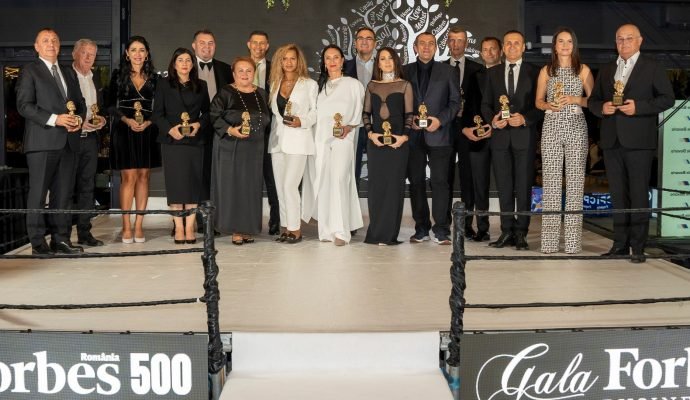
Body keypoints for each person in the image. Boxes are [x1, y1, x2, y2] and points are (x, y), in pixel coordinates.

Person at [589, 24, 674, 263]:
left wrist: (639, 107)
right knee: (617, 195)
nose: (624, 43)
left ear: (640, 41)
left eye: (629, 38)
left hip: (639, 142)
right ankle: (619, 244)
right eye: (620, 39)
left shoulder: (653, 67)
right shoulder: (607, 69)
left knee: (638, 195)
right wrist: (602, 107)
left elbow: (667, 99)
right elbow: (594, 100)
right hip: (611, 140)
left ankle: (637, 247)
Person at [16, 28, 86, 255]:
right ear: (36, 47)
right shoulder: (30, 71)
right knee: (38, 195)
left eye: (55, 40)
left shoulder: (68, 72)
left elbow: (80, 104)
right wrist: (56, 119)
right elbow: (24, 106)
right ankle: (38, 244)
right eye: (45, 40)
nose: (51, 44)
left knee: (63, 195)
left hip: (69, 142)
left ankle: (61, 240)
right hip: (42, 142)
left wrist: (78, 119)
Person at [481, 30, 542, 250]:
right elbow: (485, 104)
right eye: (508, 43)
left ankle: (522, 233)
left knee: (523, 187)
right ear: (503, 48)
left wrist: (525, 119)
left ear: (523, 47)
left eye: (517, 43)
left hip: (524, 137)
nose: (512, 47)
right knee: (504, 186)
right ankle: (506, 230)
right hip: (500, 138)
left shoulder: (535, 72)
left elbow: (541, 105)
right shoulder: (492, 73)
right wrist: (493, 120)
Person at [535, 27, 594, 254]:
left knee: (575, 184)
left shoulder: (583, 70)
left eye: (569, 41)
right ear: (555, 45)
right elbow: (538, 101)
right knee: (550, 183)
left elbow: (593, 101)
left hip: (576, 127)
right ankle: (549, 243)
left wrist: (574, 99)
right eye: (561, 41)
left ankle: (572, 243)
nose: (565, 45)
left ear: (574, 45)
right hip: (551, 126)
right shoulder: (546, 70)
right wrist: (548, 105)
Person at [403, 32, 461, 245]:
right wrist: (410, 119)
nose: (426, 47)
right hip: (413, 136)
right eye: (422, 43)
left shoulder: (448, 71)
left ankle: (442, 229)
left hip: (440, 134)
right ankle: (421, 228)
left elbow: (455, 102)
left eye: (431, 43)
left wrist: (440, 120)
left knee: (440, 182)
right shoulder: (405, 71)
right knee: (416, 182)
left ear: (436, 48)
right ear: (415, 47)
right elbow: (399, 102)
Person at [304, 45, 365, 246]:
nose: (332, 61)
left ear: (342, 61)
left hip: (343, 140)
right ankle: (326, 230)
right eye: (328, 58)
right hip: (320, 141)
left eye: (336, 57)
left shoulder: (353, 84)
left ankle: (341, 232)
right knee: (323, 182)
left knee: (340, 181)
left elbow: (360, 112)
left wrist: (349, 126)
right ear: (323, 62)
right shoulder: (319, 87)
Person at [209, 57, 270, 245]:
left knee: (250, 188)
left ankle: (248, 228)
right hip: (231, 146)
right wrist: (230, 130)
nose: (245, 74)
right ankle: (236, 229)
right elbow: (214, 115)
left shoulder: (261, 93)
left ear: (254, 73)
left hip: (254, 148)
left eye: (249, 70)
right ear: (234, 73)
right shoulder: (226, 92)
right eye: (240, 71)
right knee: (234, 187)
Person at [153, 48, 210, 245]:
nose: (184, 64)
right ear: (174, 64)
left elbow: (208, 113)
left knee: (193, 185)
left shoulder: (201, 85)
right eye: (180, 60)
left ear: (193, 64)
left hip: (194, 142)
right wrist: (170, 130)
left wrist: (198, 125)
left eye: (188, 60)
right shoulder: (163, 84)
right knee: (176, 186)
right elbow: (157, 114)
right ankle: (178, 227)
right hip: (172, 142)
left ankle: (190, 226)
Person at [109, 36, 160, 244]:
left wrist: (149, 122)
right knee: (128, 177)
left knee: (144, 176)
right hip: (124, 129)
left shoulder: (155, 78)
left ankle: (139, 225)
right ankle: (126, 226)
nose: (138, 54)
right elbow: (109, 105)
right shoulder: (117, 76)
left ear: (147, 54)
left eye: (142, 50)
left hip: (148, 130)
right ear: (127, 54)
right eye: (133, 50)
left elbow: (161, 107)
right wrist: (127, 120)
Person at [267, 44, 318, 244]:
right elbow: (275, 115)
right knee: (281, 187)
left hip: (299, 140)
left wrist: (302, 121)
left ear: (299, 61)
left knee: (290, 185)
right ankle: (286, 227)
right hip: (277, 141)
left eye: (292, 58)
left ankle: (295, 229)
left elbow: (315, 112)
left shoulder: (309, 84)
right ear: (280, 61)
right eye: (285, 59)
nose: (288, 62)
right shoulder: (275, 83)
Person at [362, 47, 412, 245]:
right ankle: (376, 233)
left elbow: (410, 115)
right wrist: (370, 134)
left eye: (390, 58)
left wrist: (404, 137)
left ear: (396, 61)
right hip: (376, 144)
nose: (387, 62)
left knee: (393, 188)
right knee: (376, 188)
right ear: (378, 63)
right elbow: (366, 114)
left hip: (398, 145)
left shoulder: (405, 85)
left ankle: (389, 235)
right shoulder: (372, 86)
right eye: (382, 59)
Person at [461, 36, 503, 243]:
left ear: (500, 51)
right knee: (478, 186)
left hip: (503, 136)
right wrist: (466, 129)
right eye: (485, 49)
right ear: (480, 53)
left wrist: (495, 126)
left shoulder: (508, 74)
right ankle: (481, 228)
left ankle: (509, 229)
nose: (489, 52)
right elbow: (467, 107)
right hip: (478, 138)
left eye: (493, 49)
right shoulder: (474, 76)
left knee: (505, 185)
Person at [445, 26, 484, 240]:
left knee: (468, 179)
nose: (456, 44)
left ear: (466, 43)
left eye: (460, 40)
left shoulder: (477, 69)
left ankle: (467, 225)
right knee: (444, 178)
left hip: (469, 130)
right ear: (447, 42)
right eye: (452, 40)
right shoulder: (439, 68)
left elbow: (481, 103)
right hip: (445, 131)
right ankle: (443, 224)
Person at [192, 29, 232, 231]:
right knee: (193, 176)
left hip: (218, 131)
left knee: (215, 176)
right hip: (192, 131)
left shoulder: (225, 69)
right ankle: (190, 221)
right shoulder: (185, 66)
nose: (206, 47)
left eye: (211, 43)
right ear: (194, 46)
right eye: (202, 43)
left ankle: (213, 222)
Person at [70, 38, 107, 247]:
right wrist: (78, 122)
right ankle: (62, 236)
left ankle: (84, 233)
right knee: (66, 189)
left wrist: (102, 120)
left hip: (91, 141)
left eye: (92, 54)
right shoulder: (66, 76)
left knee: (87, 188)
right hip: (70, 140)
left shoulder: (96, 78)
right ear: (75, 54)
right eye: (84, 52)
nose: (88, 57)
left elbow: (99, 107)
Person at [245, 30, 280, 235]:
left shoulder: (276, 68)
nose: (258, 47)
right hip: (244, 132)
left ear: (267, 46)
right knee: (247, 178)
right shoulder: (239, 67)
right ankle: (247, 220)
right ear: (248, 44)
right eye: (255, 43)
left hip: (269, 129)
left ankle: (276, 220)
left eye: (262, 43)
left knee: (272, 178)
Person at [344, 27, 376, 191]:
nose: (364, 41)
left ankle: (378, 205)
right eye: (361, 38)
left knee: (378, 170)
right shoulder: (344, 67)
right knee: (351, 170)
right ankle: (352, 204)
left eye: (369, 38)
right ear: (355, 43)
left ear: (375, 43)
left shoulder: (384, 65)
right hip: (352, 125)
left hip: (377, 125)